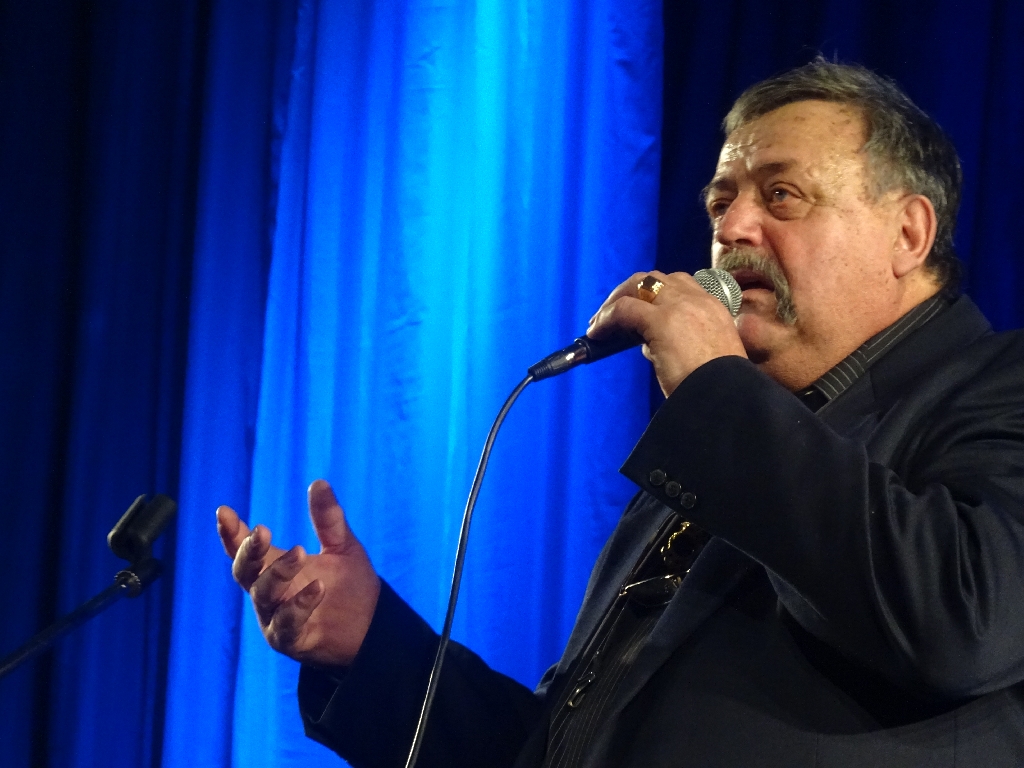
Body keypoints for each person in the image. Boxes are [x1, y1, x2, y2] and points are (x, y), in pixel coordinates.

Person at [217, 60, 1024, 767]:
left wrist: (714, 390)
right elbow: (559, 752)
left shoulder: (993, 385)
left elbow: (964, 620)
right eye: (721, 201)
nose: (732, 228)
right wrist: (371, 647)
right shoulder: (716, 456)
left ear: (908, 233)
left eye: (781, 195)